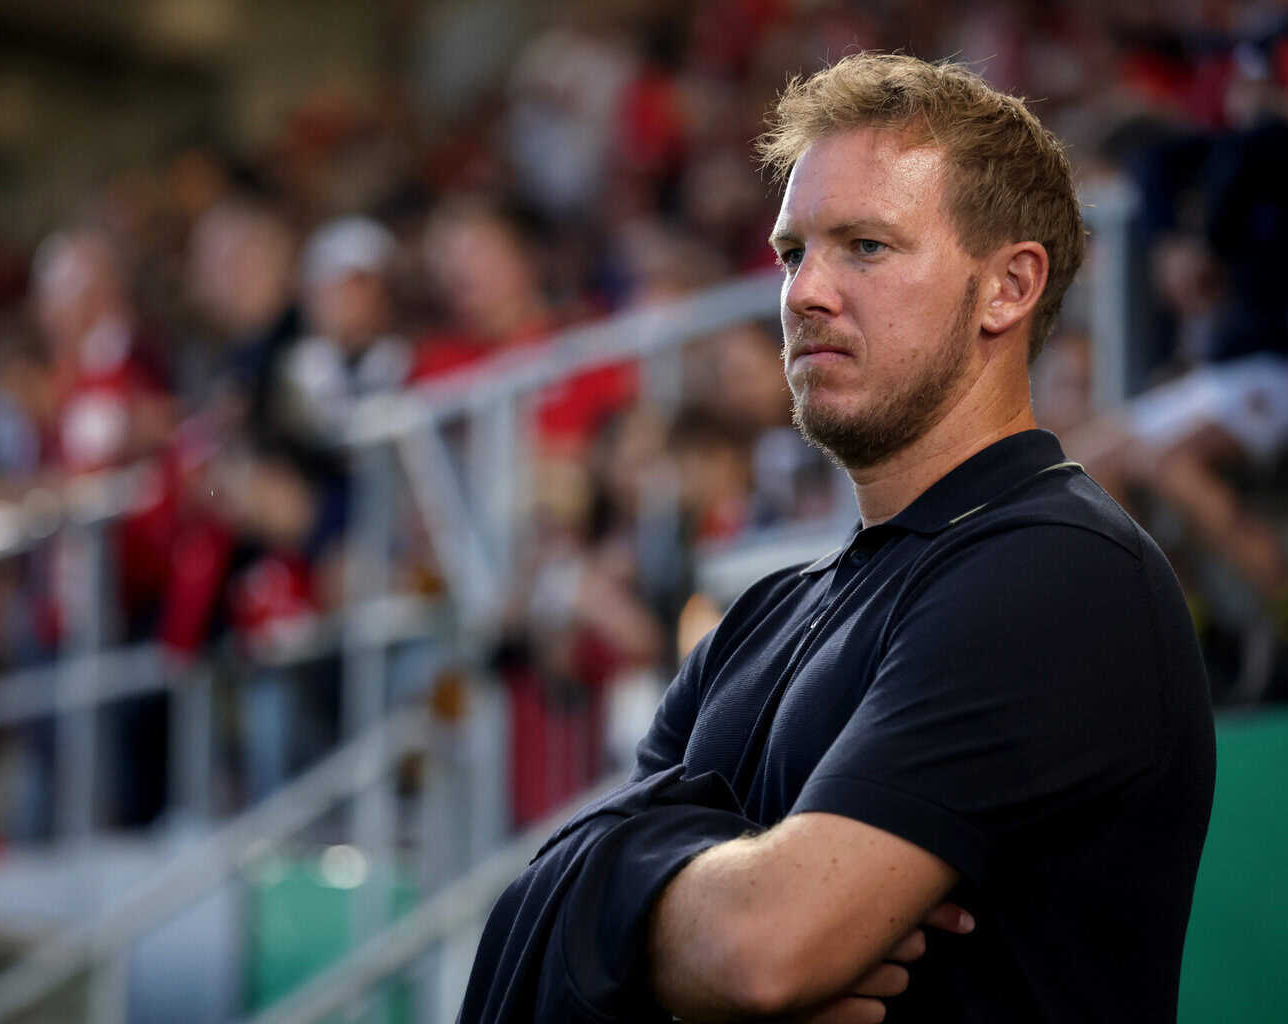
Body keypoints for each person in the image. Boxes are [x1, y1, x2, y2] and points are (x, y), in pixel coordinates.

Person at [461, 53, 1216, 1024]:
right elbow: (619, 918)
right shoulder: (762, 618)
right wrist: (682, 946)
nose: (804, 292)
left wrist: (649, 928)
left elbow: (763, 948)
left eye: (864, 246)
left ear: (1008, 287)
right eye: (791, 254)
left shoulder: (1061, 570)